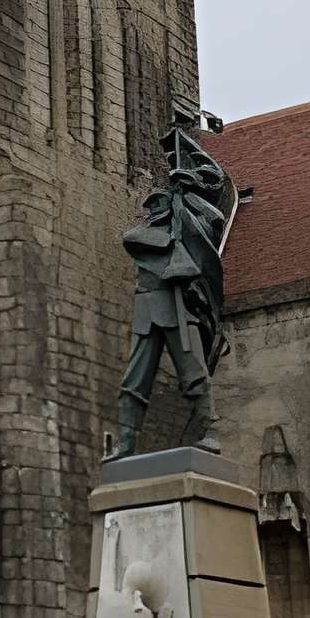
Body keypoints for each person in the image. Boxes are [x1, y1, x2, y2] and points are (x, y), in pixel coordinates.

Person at [114, 115, 231, 456]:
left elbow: (213, 223)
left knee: (193, 373)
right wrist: (171, 240)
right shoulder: (147, 234)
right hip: (148, 308)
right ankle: (125, 441)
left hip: (178, 305)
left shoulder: (194, 222)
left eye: (156, 204)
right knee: (134, 383)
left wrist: (190, 182)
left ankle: (210, 431)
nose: (151, 209)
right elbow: (132, 238)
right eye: (149, 207)